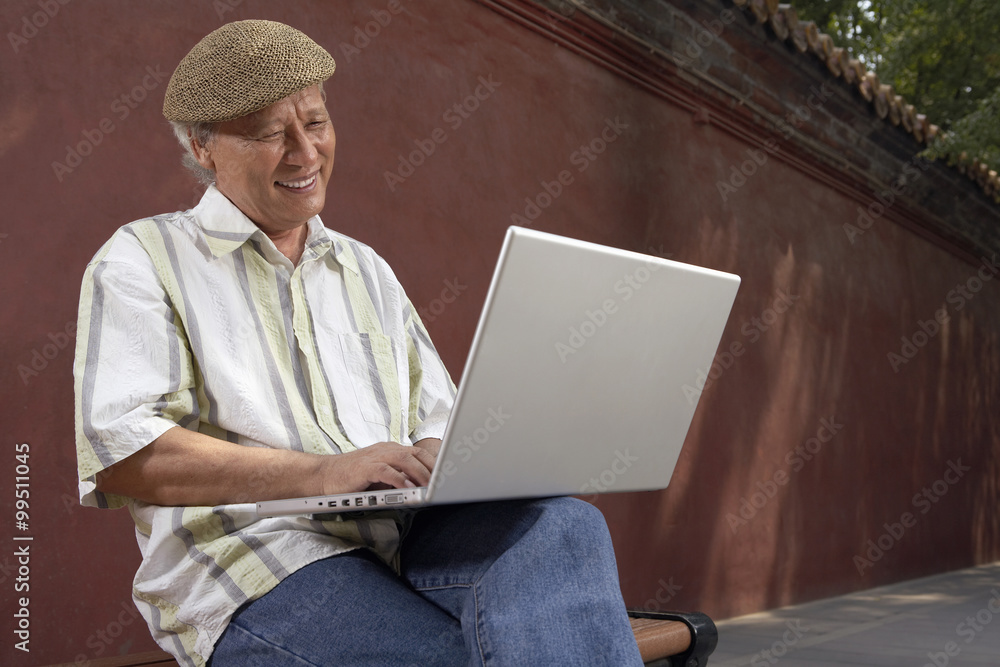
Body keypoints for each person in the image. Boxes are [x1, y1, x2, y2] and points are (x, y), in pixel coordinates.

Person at [74, 19, 644, 666]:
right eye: (269, 134)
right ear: (204, 148)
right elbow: (125, 454)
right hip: (257, 561)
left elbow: (436, 423)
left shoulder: (364, 267)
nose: (304, 152)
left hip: (400, 539)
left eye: (315, 123)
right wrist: (321, 472)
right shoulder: (143, 258)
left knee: (565, 527)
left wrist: (445, 454)